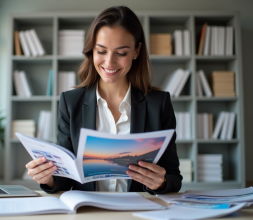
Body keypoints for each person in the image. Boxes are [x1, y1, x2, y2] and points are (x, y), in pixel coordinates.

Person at [25, 6, 182, 194]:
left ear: (136, 51)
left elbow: (174, 177)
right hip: (89, 211)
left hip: (139, 211)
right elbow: (65, 180)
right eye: (101, 51)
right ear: (91, 50)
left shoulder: (159, 104)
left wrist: (161, 183)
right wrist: (49, 179)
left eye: (121, 53)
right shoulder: (70, 102)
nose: (109, 62)